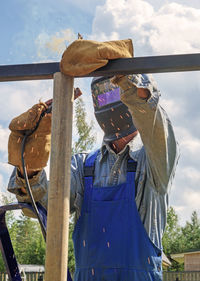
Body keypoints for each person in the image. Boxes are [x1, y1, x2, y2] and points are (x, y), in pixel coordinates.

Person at [7, 40, 179, 280]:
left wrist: (134, 82)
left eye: (114, 90)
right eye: (102, 94)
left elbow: (155, 125)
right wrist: (30, 169)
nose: (108, 98)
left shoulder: (152, 162)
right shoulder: (82, 167)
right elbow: (44, 206)